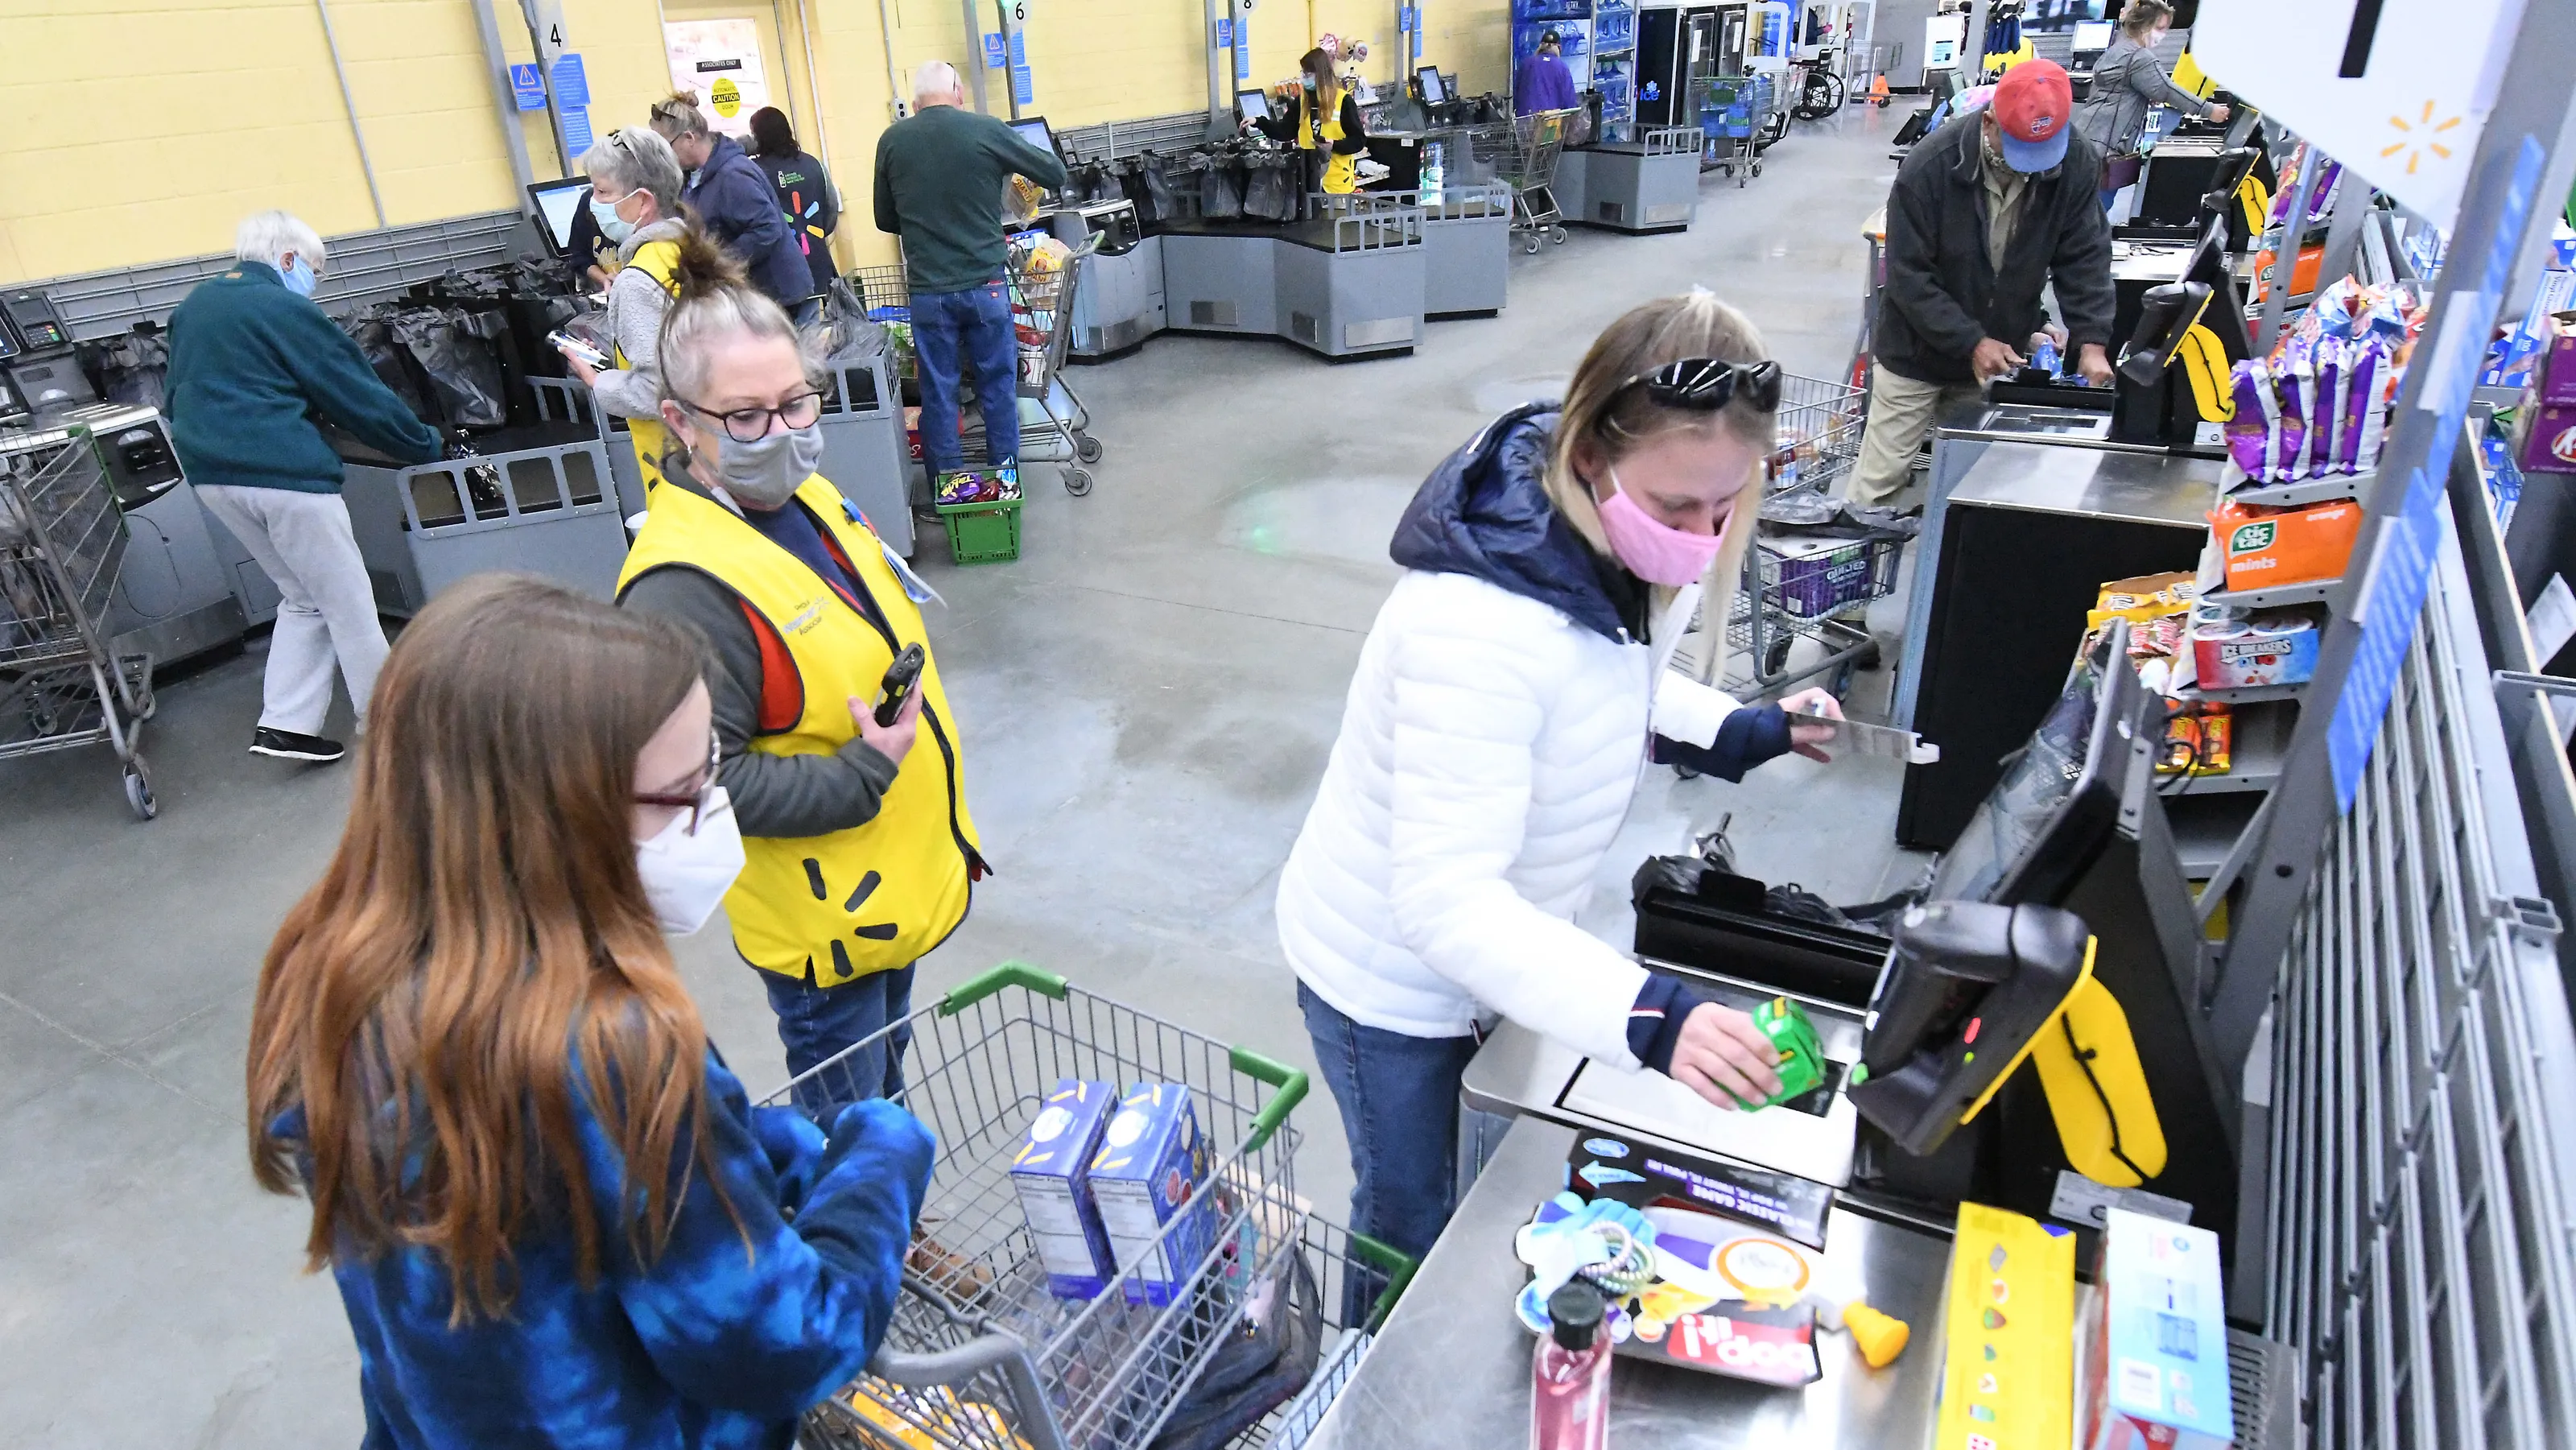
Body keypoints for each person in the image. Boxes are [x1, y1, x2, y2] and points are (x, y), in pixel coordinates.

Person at [246, 573, 935, 1448]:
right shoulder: (615, 1050)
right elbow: (780, 1344)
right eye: (683, 792)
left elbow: (585, 1193)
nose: (711, 812)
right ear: (552, 821)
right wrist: (882, 1150)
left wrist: (773, 1150)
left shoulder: (332, 976)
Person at [1275, 292, 1846, 1283]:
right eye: (1679, 508)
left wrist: (1742, 731)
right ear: (1590, 456)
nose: (1705, 536)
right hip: (1393, 989)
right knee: (1409, 1220)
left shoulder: (1607, 542)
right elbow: (1445, 904)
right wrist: (1651, 1017)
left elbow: (1613, 679)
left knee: (1481, 1182)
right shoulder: (1476, 628)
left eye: (1726, 505)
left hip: (1500, 959)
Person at [617, 232, 984, 1123]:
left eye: (795, 404)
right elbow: (702, 785)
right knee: (845, 1116)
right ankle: (865, 1251)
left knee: (885, 1081)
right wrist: (864, 777)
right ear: (680, 421)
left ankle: (896, 1223)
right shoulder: (682, 590)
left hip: (883, 884)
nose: (780, 433)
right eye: (745, 416)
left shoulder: (803, 498)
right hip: (823, 921)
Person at [165, 210, 443, 766]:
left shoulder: (194, 306)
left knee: (302, 596)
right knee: (349, 602)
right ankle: (391, 724)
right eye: (314, 268)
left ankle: (286, 724)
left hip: (212, 477)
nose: (313, 282)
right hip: (286, 478)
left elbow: (178, 394)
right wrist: (424, 443)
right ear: (287, 259)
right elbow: (354, 392)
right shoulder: (284, 307)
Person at [1844, 60, 2115, 510]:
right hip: (1916, 352)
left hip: (1997, 357)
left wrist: (2091, 340)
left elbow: (2084, 255)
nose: (2031, 169)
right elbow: (1910, 278)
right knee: (1878, 485)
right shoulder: (1930, 167)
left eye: (2042, 152)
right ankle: (1847, 576)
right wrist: (1971, 340)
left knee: (1971, 491)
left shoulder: (2074, 161)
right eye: (2019, 151)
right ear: (1988, 121)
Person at [873, 60, 1067, 492]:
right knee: (997, 388)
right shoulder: (986, 129)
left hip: (928, 293)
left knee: (939, 395)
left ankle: (950, 491)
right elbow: (1055, 173)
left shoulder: (892, 140)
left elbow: (885, 218)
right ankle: (1005, 486)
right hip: (987, 287)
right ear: (957, 90)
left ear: (916, 100)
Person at [559, 127, 690, 493]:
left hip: (675, 463)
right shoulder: (689, 250)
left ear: (643, 201)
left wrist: (599, 381)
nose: (593, 202)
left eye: (602, 192)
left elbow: (657, 391)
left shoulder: (637, 281)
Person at [650, 93, 817, 317]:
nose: (664, 157)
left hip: (782, 299)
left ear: (689, 138)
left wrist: (715, 262)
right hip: (757, 297)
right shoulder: (695, 176)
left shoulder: (733, 175)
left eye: (665, 147)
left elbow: (767, 229)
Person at [2074, 0, 2228, 210]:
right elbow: (2167, 90)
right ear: (2145, 26)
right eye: (2160, 28)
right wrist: (2209, 110)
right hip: (2106, 148)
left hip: (2087, 138)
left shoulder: (2117, 49)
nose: (2163, 35)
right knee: (2095, 211)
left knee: (2081, 207)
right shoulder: (2139, 58)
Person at [749, 105, 844, 301]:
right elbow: (831, 211)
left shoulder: (753, 172)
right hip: (819, 267)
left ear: (758, 138)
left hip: (779, 278)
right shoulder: (814, 164)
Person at [1249, 48, 1369, 197]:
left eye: (1308, 74)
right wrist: (1259, 122)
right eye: (1303, 73)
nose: (1304, 77)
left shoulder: (1343, 101)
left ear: (1321, 75)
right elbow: (1285, 131)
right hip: (1307, 181)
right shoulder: (1302, 101)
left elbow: (1358, 141)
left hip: (1336, 186)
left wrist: (1334, 145)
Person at [1514, 30, 1580, 116]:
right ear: (1559, 48)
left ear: (1540, 46)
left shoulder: (1526, 64)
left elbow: (1515, 93)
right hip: (1551, 121)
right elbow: (1569, 102)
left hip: (1526, 119)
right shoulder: (1562, 68)